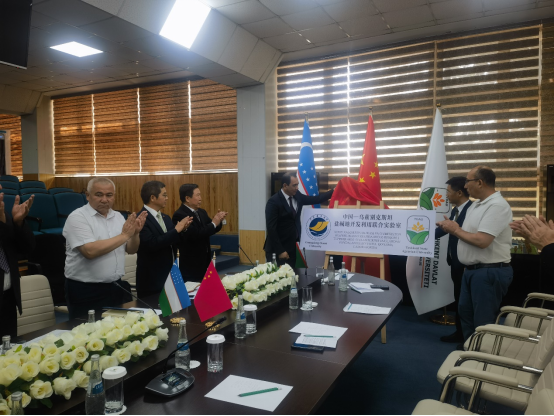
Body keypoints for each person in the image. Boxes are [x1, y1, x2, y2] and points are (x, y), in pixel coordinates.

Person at [437, 166, 513, 344]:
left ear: (479, 182)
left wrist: (455, 230)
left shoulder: (497, 206)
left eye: (468, 181)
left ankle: (481, 355)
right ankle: (469, 350)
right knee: (466, 314)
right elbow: (467, 234)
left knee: (483, 320)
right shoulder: (476, 205)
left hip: (489, 271)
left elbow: (482, 241)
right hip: (471, 270)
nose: (465, 186)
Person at [63, 178, 148, 320]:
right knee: (87, 331)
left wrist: (135, 234)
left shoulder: (118, 217)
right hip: (86, 290)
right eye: (99, 195)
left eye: (109, 195)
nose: (104, 200)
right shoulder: (77, 217)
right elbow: (89, 251)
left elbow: (131, 249)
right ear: (88, 195)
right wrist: (125, 235)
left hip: (115, 287)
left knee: (117, 330)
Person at [264, 172, 334, 268]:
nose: (297, 188)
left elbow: (316, 199)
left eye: (297, 184)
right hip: (277, 249)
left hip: (291, 246)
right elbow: (271, 228)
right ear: (285, 186)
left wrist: (333, 191)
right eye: (294, 185)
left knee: (292, 274)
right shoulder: (273, 202)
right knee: (278, 276)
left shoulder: (297, 196)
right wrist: (280, 251)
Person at [136, 181, 193, 298]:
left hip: (170, 276)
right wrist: (176, 230)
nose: (167, 198)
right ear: (153, 198)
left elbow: (172, 240)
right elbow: (151, 244)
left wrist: (182, 230)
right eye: (164, 195)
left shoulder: (165, 217)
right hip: (151, 280)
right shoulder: (141, 219)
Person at [434, 177, 472, 344]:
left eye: (448, 192)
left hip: (465, 264)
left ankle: (468, 336)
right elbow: (446, 229)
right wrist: (420, 239)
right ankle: (459, 332)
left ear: (459, 192)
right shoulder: (456, 210)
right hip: (455, 263)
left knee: (466, 302)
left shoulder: (472, 210)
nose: (446, 195)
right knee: (459, 298)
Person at [173, 184, 227, 282]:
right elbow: (195, 234)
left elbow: (210, 228)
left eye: (200, 195)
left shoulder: (201, 212)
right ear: (187, 198)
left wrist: (218, 221)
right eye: (197, 195)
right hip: (191, 265)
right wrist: (214, 223)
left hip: (205, 261)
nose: (200, 198)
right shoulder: (180, 214)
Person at [0, 188, 35, 338]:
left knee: (9, 347)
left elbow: (27, 248)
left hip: (8, 296)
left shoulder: (3, 214)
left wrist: (18, 222)